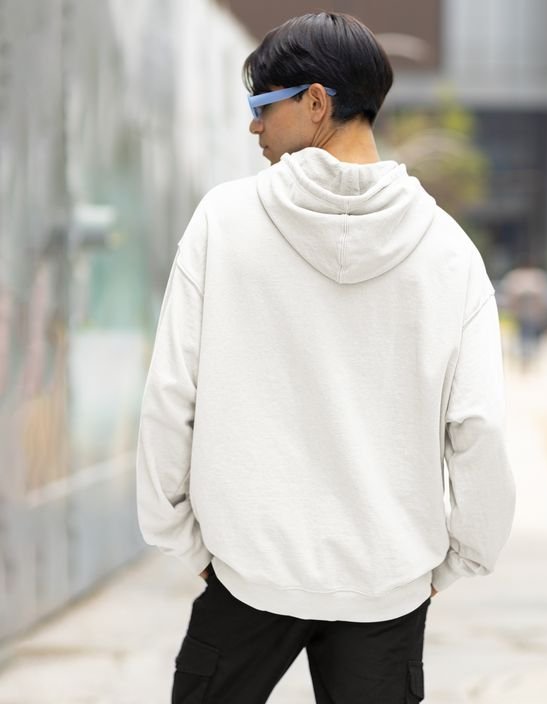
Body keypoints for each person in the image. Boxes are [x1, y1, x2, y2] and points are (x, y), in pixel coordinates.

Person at [135, 12, 516, 704]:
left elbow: (170, 397)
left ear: (316, 102)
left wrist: (186, 541)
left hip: (247, 572)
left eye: (261, 105)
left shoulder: (224, 223)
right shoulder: (449, 252)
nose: (253, 126)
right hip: (386, 584)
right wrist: (457, 561)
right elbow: (479, 427)